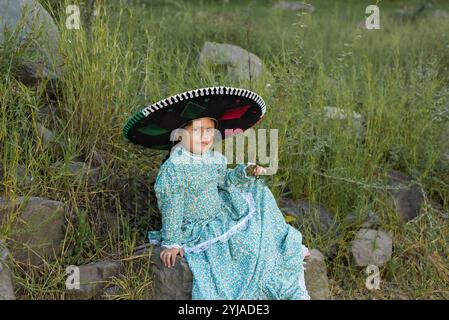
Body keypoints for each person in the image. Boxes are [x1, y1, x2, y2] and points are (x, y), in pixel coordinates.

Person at [148, 116, 311, 300]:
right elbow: (172, 206)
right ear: (179, 135)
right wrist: (172, 241)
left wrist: (244, 172)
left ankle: (282, 248)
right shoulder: (174, 169)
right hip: (199, 226)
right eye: (196, 130)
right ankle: (258, 283)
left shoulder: (213, 159)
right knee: (244, 248)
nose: (205, 136)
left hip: (220, 212)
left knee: (259, 192)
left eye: (209, 130)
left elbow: (223, 180)